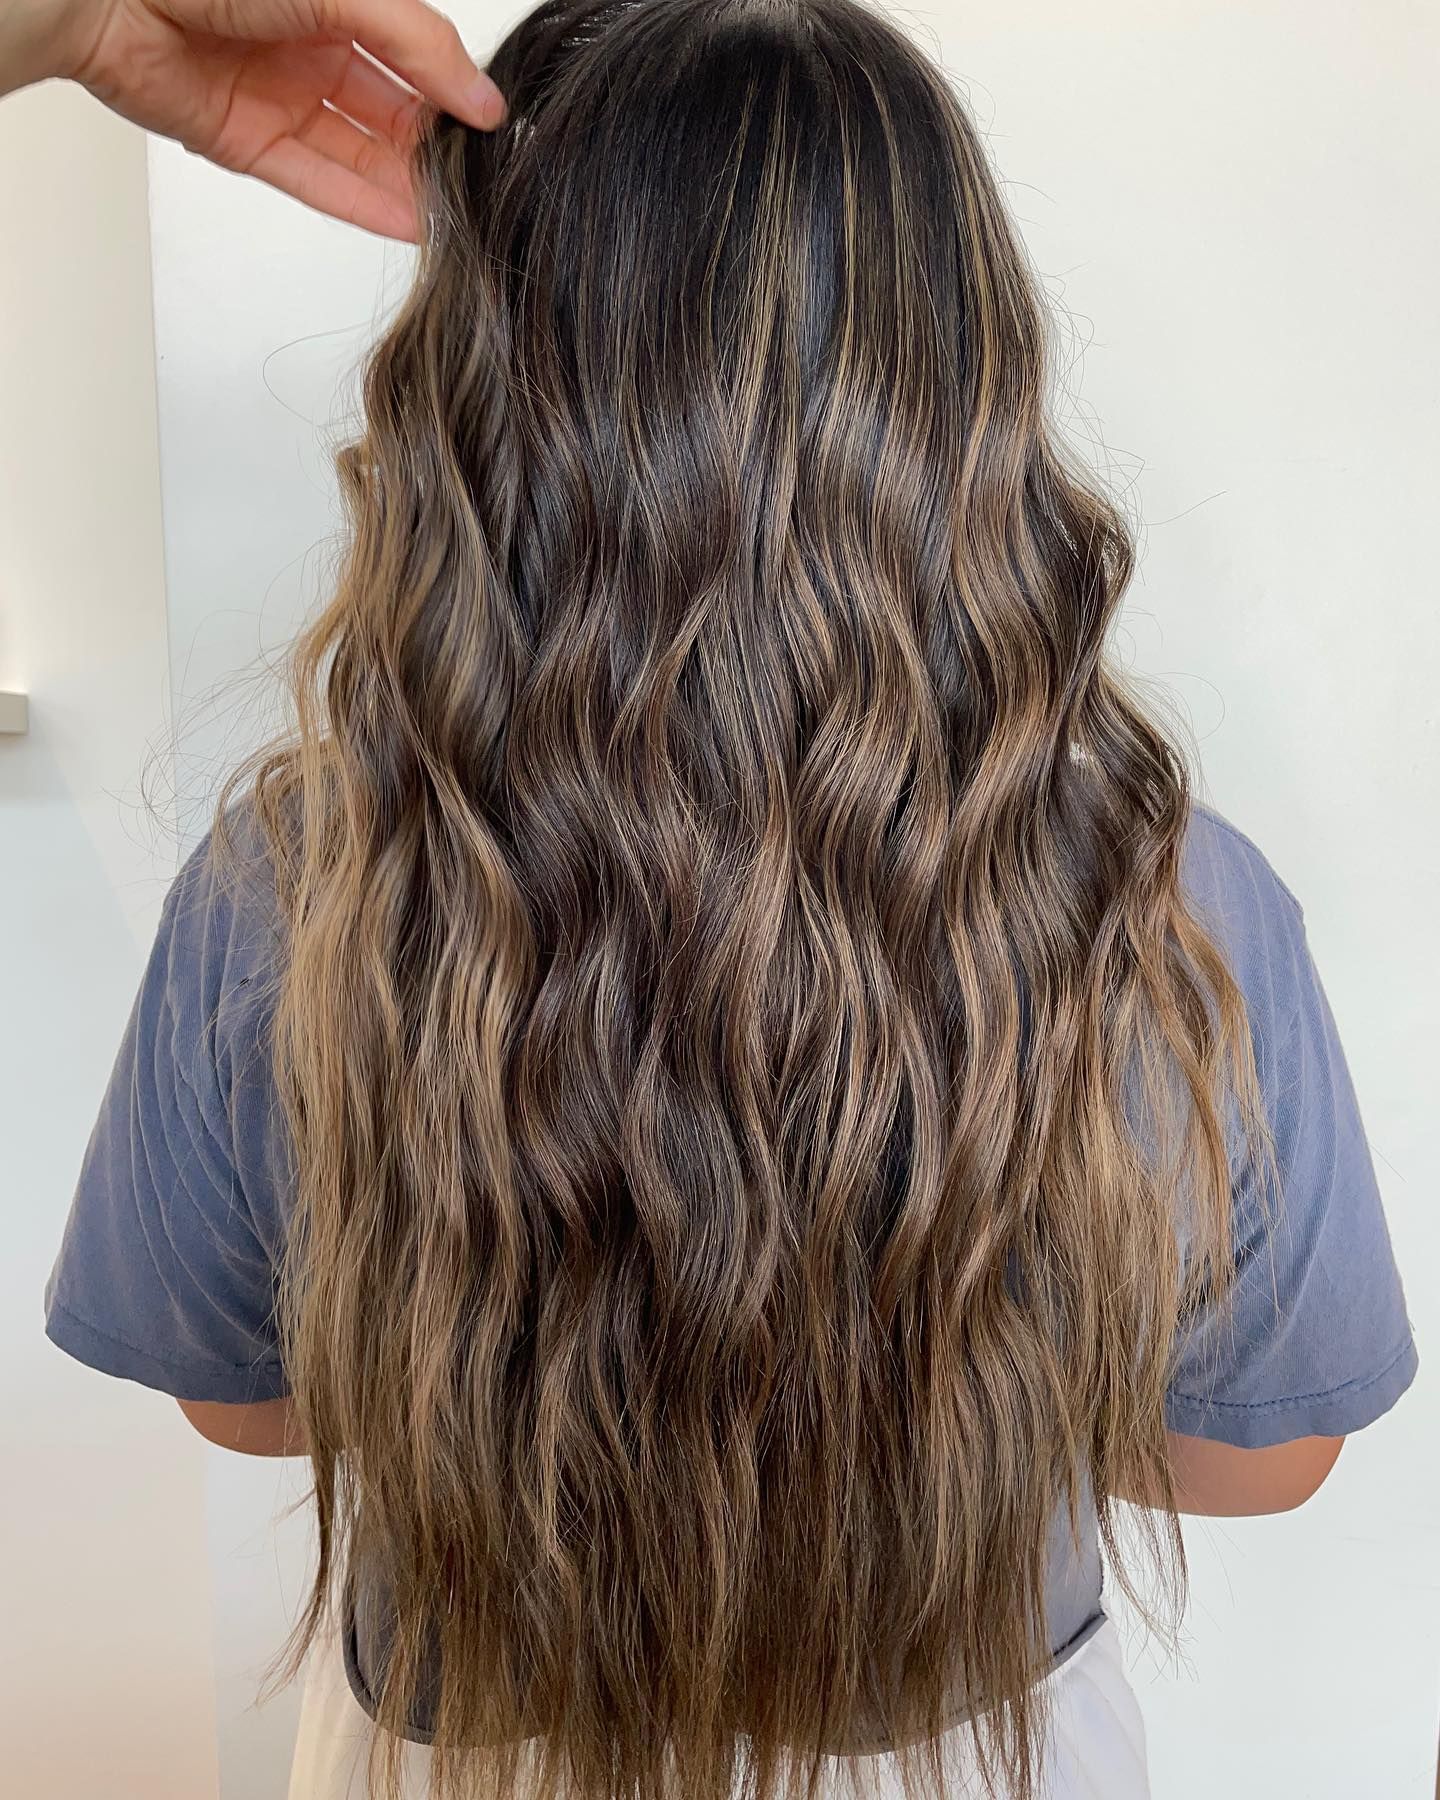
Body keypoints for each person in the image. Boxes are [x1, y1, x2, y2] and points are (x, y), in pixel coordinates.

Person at [20, 0, 1417, 1796]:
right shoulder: (1167, 891)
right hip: (972, 1754)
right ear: (959, 370)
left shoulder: (297, 880)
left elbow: (245, 1399)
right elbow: (1259, 1456)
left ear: (481, 371)